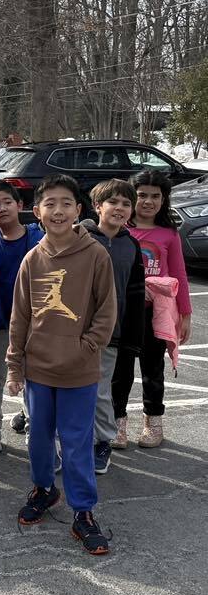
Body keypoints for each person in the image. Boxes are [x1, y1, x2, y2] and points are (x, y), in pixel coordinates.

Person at [6, 174, 116, 555]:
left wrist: (87, 347)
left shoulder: (95, 255)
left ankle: (83, 511)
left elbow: (106, 310)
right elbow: (19, 317)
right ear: (37, 212)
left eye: (66, 203)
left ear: (78, 211)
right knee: (38, 438)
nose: (58, 210)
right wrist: (14, 366)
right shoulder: (32, 259)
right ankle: (44, 489)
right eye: (49, 203)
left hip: (79, 370)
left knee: (76, 443)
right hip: (39, 369)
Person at [111, 170, 192, 448]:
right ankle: (117, 424)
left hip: (156, 314)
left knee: (152, 369)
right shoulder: (120, 231)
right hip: (123, 313)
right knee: (119, 371)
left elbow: (179, 276)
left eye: (155, 196)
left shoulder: (169, 234)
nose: (148, 201)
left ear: (164, 199)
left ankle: (153, 422)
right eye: (141, 195)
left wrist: (185, 315)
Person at [82, 179, 145, 473]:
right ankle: (61, 439)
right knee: (64, 385)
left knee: (99, 390)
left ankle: (102, 442)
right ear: (98, 206)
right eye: (113, 202)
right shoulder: (79, 236)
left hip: (111, 332)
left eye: (126, 203)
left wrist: (132, 335)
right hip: (74, 330)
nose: (120, 208)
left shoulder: (130, 244)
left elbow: (135, 293)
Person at [0, 180, 44, 452]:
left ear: (20, 205)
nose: (1, 208)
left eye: (7, 202)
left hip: (34, 321)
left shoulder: (37, 238)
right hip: (0, 321)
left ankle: (32, 424)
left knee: (33, 375)